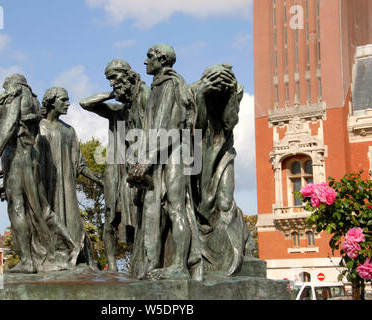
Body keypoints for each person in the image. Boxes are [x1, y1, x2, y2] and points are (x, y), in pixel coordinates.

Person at [128, 44, 202, 280]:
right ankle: (154, 264)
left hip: (173, 153)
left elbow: (169, 129)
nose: (145, 61)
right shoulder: (158, 86)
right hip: (161, 154)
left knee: (175, 208)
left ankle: (179, 266)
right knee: (160, 209)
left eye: (149, 57)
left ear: (161, 59)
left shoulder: (170, 84)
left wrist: (147, 161)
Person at [79, 59, 149, 272]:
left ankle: (141, 261)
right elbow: (85, 103)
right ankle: (112, 267)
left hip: (138, 165)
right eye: (109, 79)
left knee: (140, 212)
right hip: (115, 165)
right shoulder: (117, 109)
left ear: (127, 74)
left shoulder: (145, 99)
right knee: (110, 213)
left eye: (114, 77)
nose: (111, 82)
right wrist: (113, 93)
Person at [189, 64, 256, 275]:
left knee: (225, 202)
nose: (219, 87)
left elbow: (229, 122)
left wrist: (230, 95)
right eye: (215, 83)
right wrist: (201, 95)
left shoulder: (234, 90)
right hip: (198, 156)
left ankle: (235, 256)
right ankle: (203, 258)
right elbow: (196, 127)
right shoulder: (193, 90)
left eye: (223, 84)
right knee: (200, 208)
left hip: (223, 155)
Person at [0, 74, 58, 273]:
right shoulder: (34, 100)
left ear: (14, 85)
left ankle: (27, 261)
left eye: (6, 86)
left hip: (16, 154)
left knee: (16, 207)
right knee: (31, 208)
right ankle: (36, 257)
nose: (5, 91)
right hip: (29, 156)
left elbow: (8, 126)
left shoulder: (17, 95)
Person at [38, 87, 101, 268]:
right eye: (64, 100)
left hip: (66, 187)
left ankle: (76, 256)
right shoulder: (37, 128)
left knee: (75, 224)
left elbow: (79, 164)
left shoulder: (69, 131)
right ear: (51, 102)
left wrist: (99, 180)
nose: (68, 104)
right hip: (45, 188)